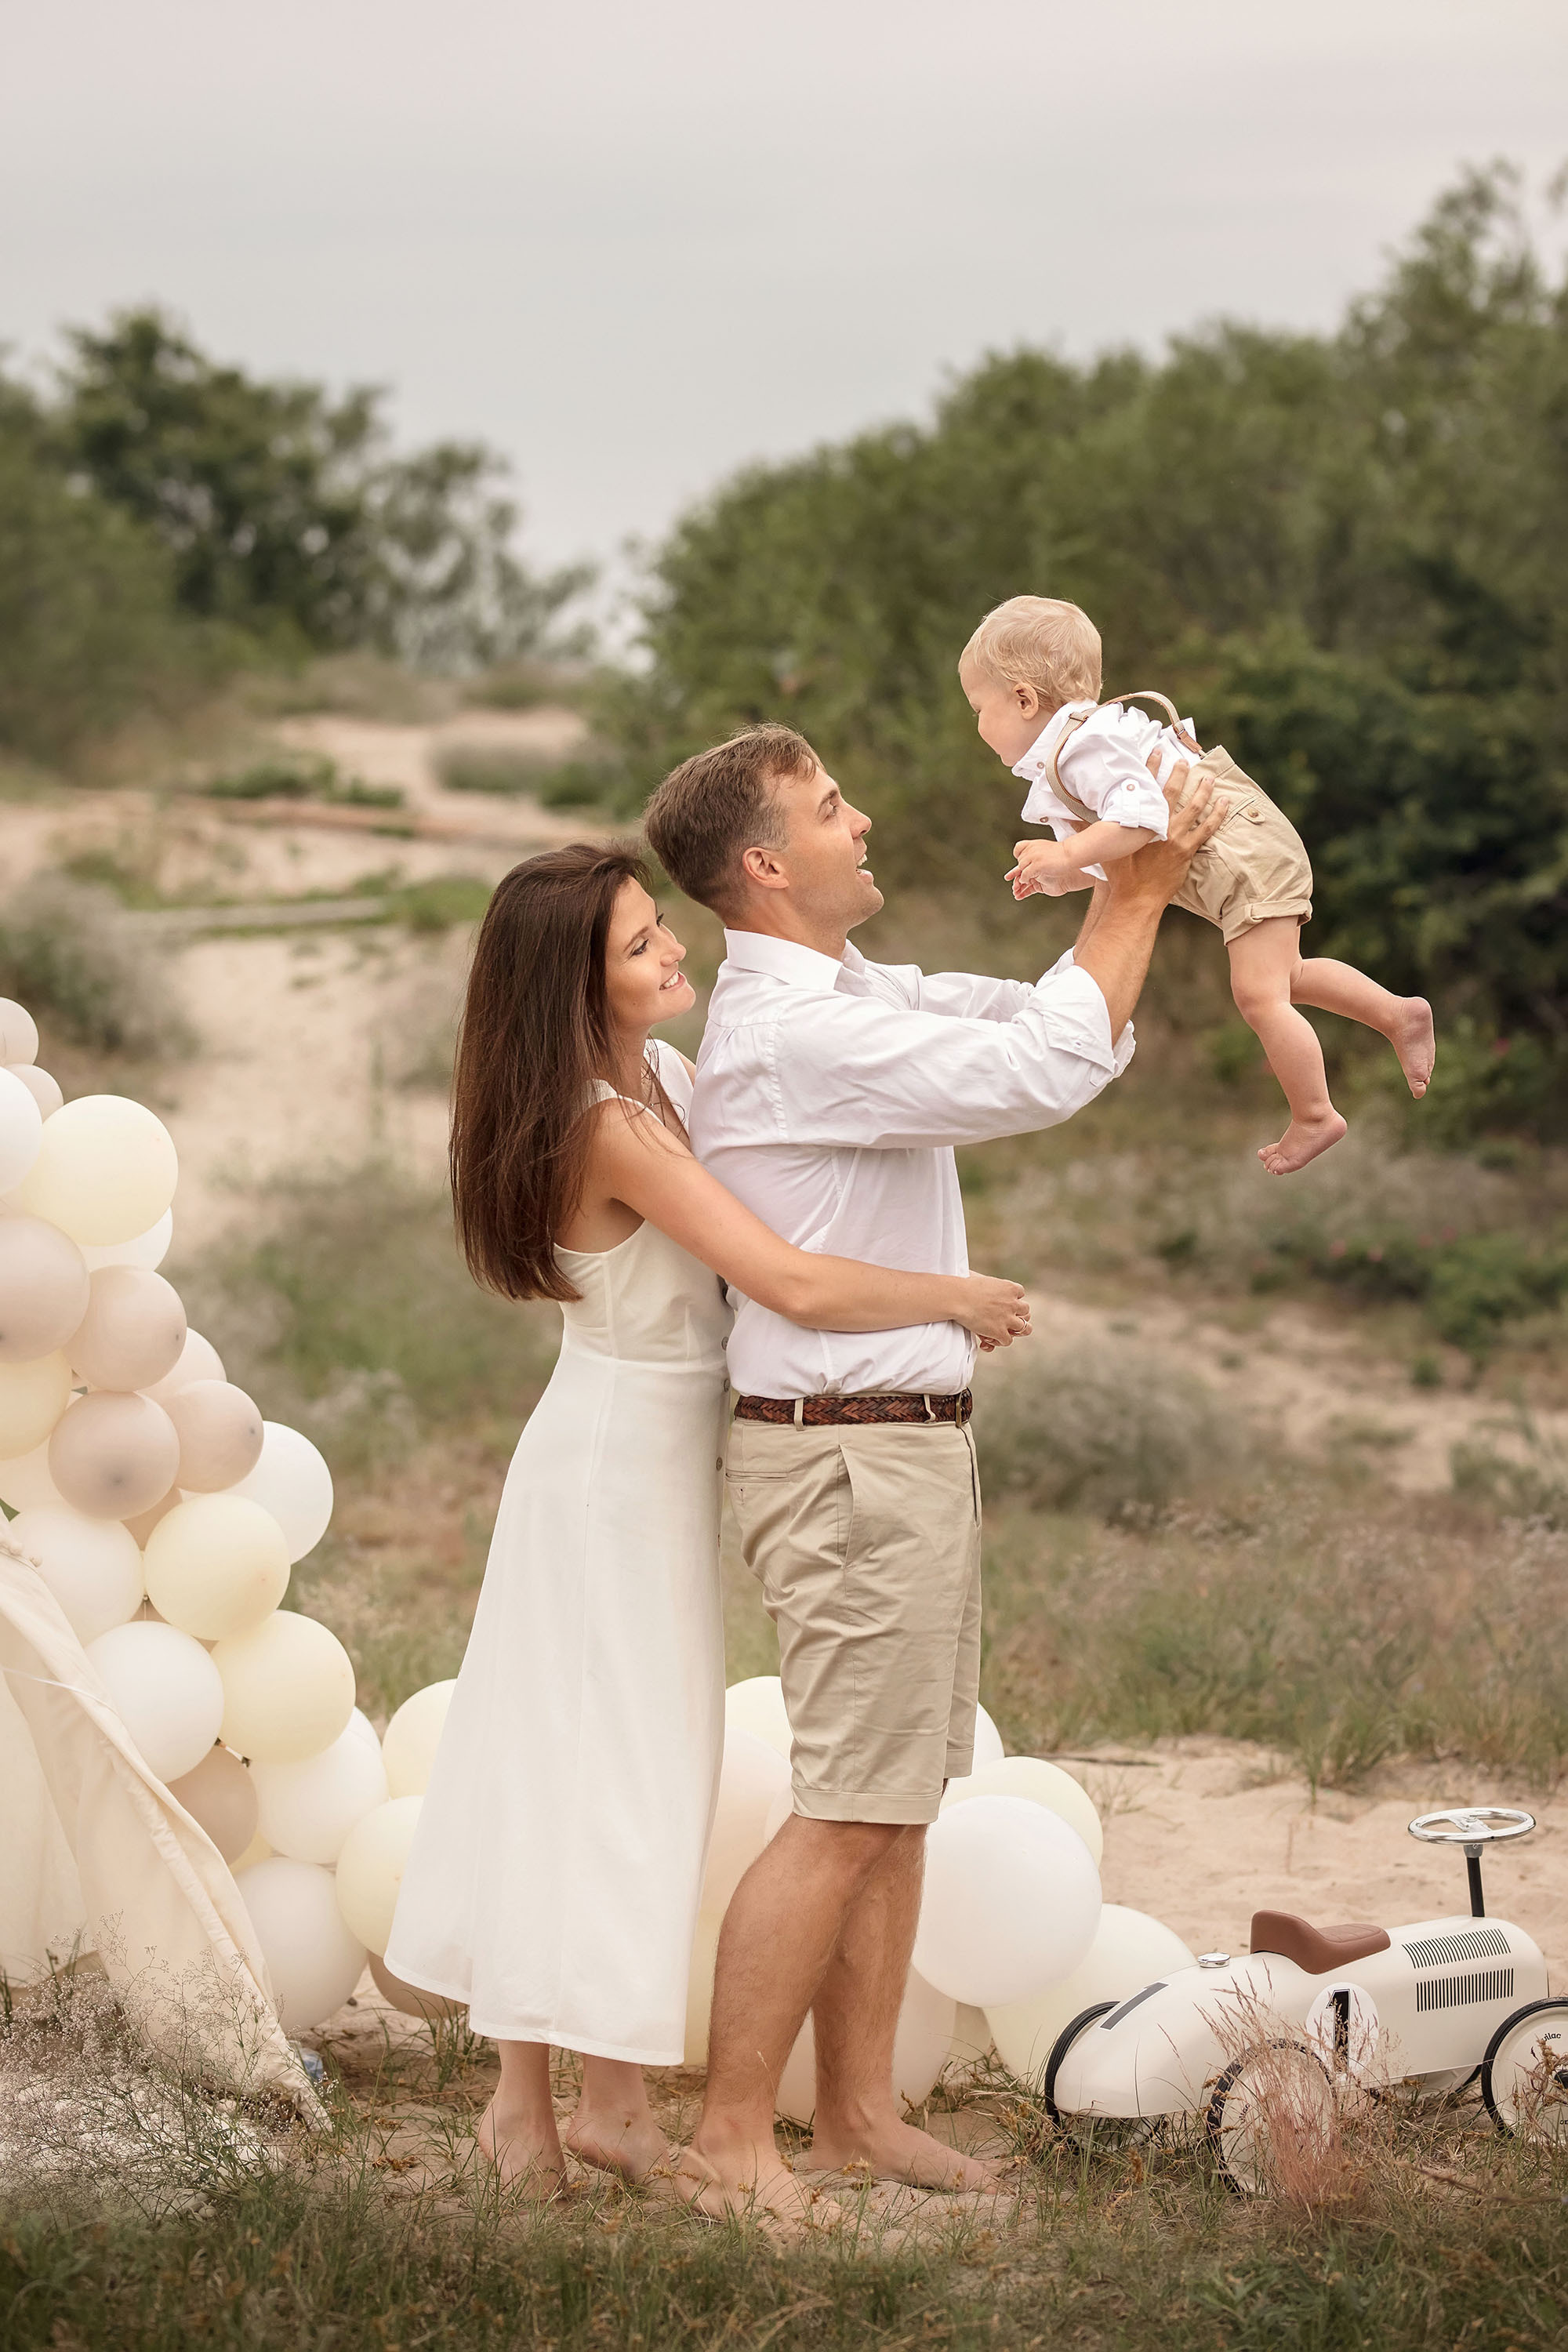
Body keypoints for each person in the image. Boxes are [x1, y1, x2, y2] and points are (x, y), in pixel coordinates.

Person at [383, 841, 1033, 2198]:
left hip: (659, 1463)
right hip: (611, 1467)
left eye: (655, 925)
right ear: (576, 989)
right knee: (584, 1769)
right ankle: (524, 2105)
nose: (672, 949)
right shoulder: (602, 1123)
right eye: (636, 945)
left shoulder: (664, 1083)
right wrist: (948, 1295)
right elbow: (781, 1276)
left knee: (634, 1773)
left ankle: (607, 2102)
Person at [641, 722, 1222, 2225]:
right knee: (845, 1806)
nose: (865, 818)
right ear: (767, 865)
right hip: (848, 1462)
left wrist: (1121, 872)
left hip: (887, 1449)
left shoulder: (844, 994)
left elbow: (1015, 1020)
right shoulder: (799, 1030)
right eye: (833, 808)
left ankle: (857, 2117)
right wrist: (1146, 874)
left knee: (895, 1803)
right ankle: (726, 2137)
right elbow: (1043, 1069)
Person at [960, 593, 1436, 1175]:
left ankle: (1315, 1114)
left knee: (1259, 996)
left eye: (977, 708)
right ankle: (1396, 1013)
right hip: (1242, 849)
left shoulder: (1083, 745)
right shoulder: (1076, 752)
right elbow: (1118, 853)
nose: (976, 725)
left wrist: (1066, 852)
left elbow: (1139, 817)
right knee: (1287, 978)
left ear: (1024, 698)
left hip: (1239, 850)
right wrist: (1064, 875)